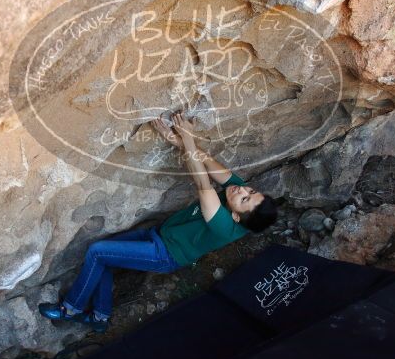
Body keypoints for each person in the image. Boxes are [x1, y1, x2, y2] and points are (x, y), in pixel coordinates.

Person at [38, 113, 278, 332]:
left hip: (165, 254)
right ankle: (100, 317)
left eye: (245, 198)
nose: (242, 189)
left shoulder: (226, 227)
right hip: (159, 235)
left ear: (237, 216)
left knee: (97, 252)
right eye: (251, 190)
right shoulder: (234, 193)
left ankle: (71, 309)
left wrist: (188, 137)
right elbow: (206, 160)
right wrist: (179, 142)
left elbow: (203, 184)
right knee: (106, 259)